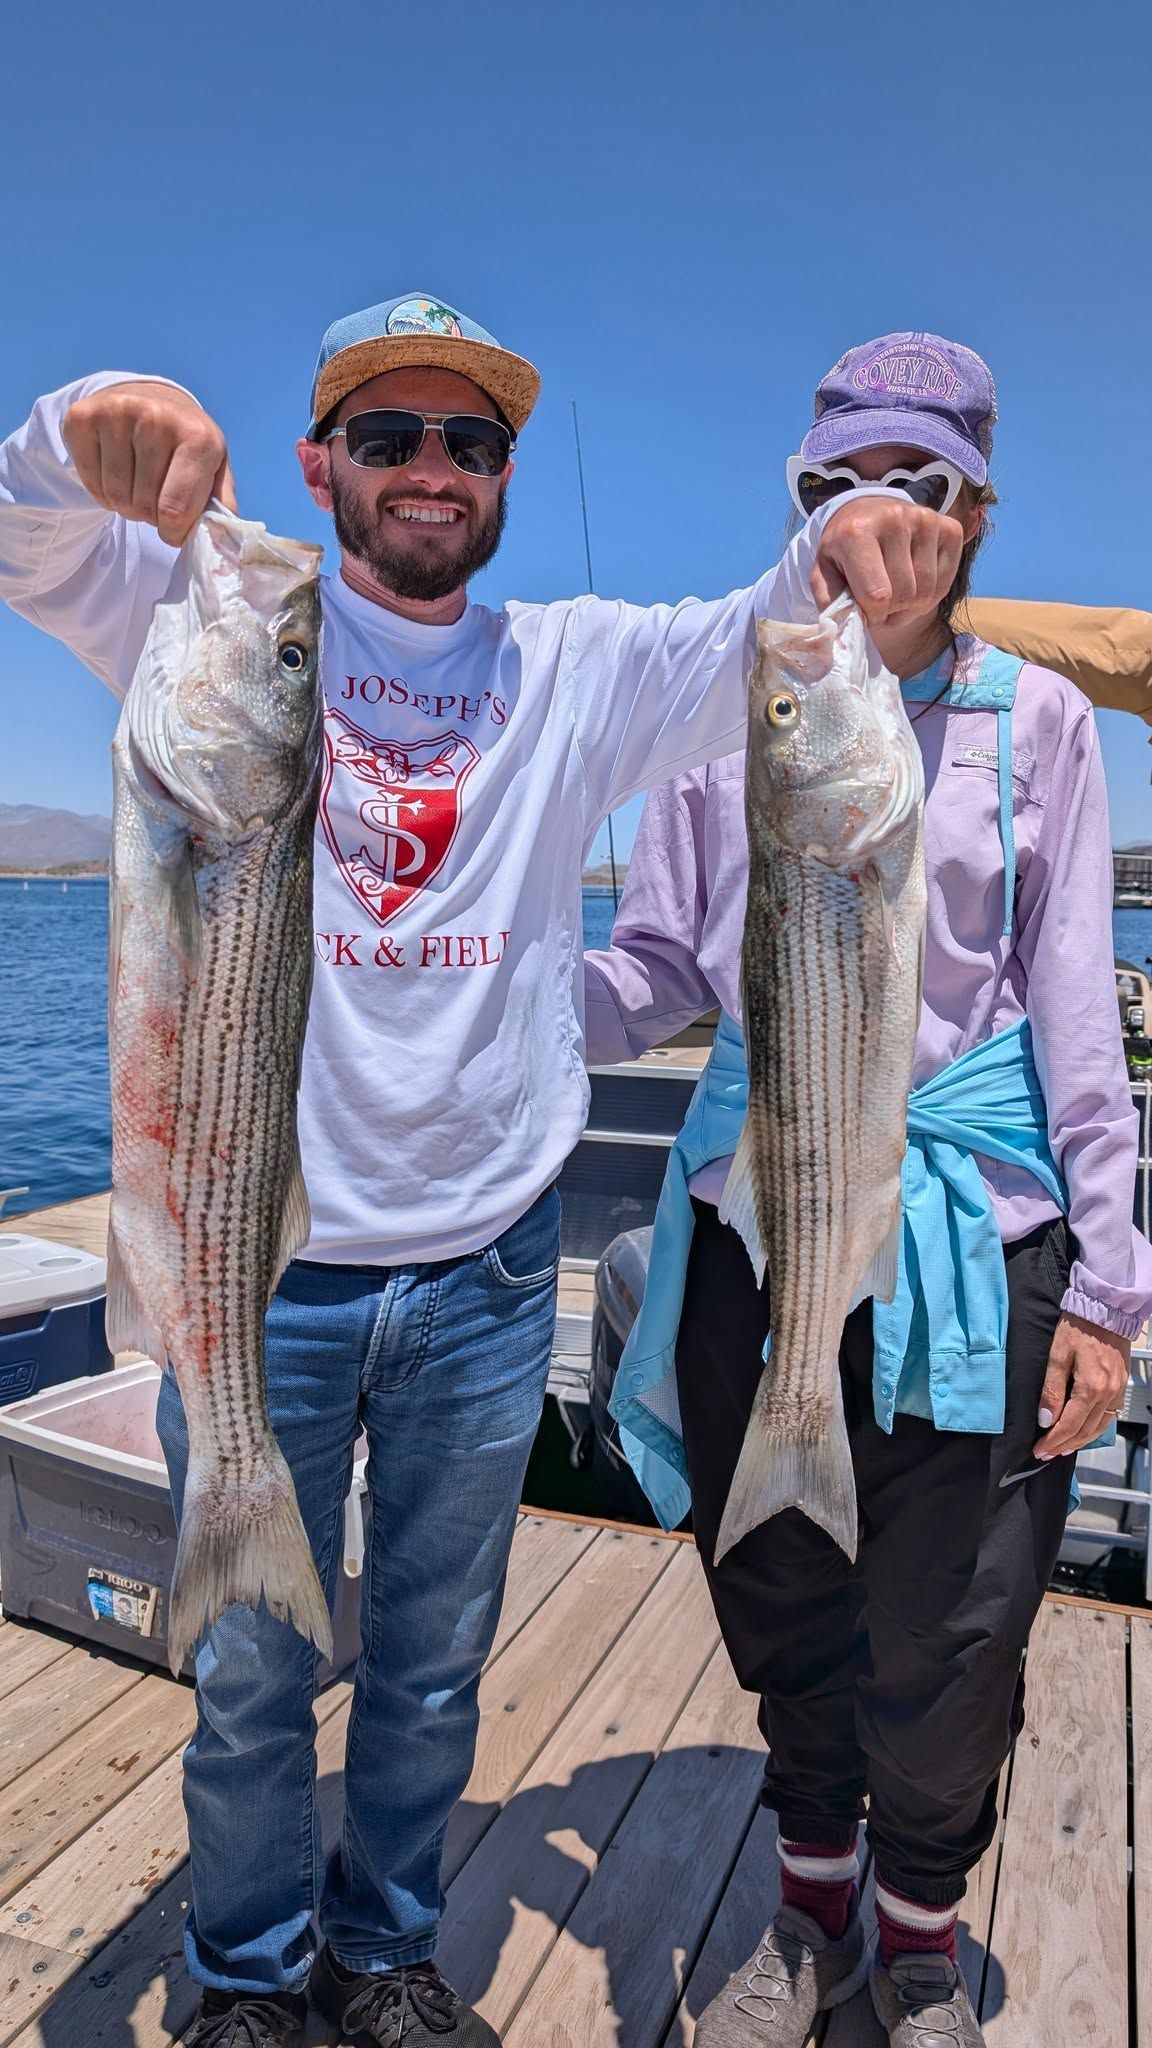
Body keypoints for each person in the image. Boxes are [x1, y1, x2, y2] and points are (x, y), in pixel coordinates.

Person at [0, 297, 960, 2048]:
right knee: (249, 1678)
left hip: (493, 1273)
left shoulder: (574, 669)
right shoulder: (218, 621)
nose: (432, 468)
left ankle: (383, 1950)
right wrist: (84, 428)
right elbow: (28, 534)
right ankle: (244, 1974)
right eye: (390, 437)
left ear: (506, 474)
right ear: (321, 469)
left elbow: (771, 629)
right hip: (260, 1273)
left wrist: (847, 536)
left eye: (473, 440)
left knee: (434, 1667)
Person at [583, 331, 1152, 2046]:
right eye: (838, 482)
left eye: (921, 481)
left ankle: (917, 1938)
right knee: (780, 1592)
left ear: (974, 512)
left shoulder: (1037, 721)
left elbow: (1075, 1015)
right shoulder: (732, 705)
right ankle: (812, 1904)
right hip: (758, 1214)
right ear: (801, 506)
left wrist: (1111, 1284)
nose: (880, 513)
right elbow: (658, 966)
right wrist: (472, 1011)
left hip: (978, 1237)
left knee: (955, 1627)